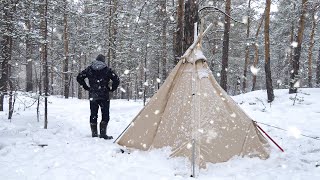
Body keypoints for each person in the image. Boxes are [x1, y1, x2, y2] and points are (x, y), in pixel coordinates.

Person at [77, 54, 120, 139]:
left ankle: (94, 134)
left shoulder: (89, 69)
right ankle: (103, 134)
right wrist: (111, 88)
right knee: (105, 115)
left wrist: (86, 87)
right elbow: (116, 79)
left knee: (93, 114)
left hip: (93, 95)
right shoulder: (107, 70)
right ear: (103, 61)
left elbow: (79, 77)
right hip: (104, 95)